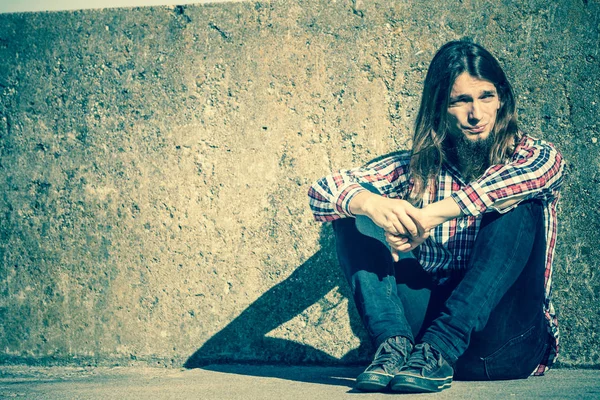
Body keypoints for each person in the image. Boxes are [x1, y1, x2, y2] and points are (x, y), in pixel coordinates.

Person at [307, 40, 565, 393]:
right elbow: (324, 189)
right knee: (350, 208)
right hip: (422, 352)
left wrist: (427, 217)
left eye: (485, 97)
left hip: (505, 344)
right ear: (441, 108)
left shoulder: (534, 155)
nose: (476, 114)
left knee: (516, 201)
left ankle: (443, 343)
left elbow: (519, 180)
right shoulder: (417, 166)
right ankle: (393, 346)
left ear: (502, 98)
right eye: (460, 101)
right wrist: (373, 206)